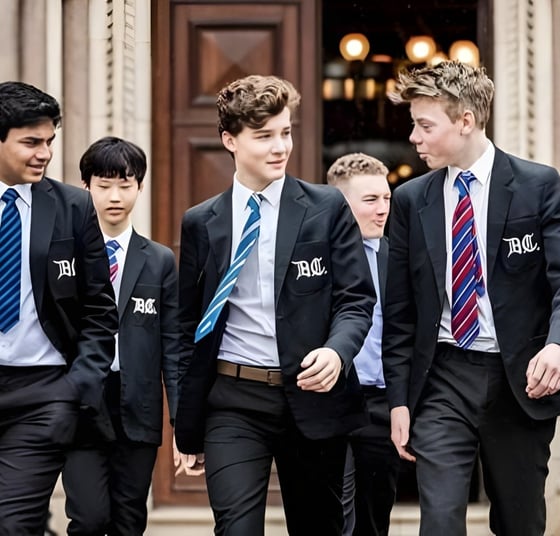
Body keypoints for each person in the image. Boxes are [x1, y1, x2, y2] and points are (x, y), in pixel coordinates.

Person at [383, 60, 560, 536]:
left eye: (424, 125)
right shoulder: (410, 200)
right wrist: (399, 400)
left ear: (465, 121)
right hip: (441, 378)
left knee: (519, 521)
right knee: (438, 520)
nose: (414, 138)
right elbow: (399, 312)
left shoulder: (538, 186)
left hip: (519, 379)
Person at [173, 74, 375, 535]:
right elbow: (190, 327)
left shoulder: (326, 208)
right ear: (230, 140)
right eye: (264, 136)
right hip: (233, 402)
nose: (279, 146)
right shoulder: (202, 222)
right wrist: (187, 424)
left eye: (285, 132)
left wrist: (337, 351)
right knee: (237, 529)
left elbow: (356, 299)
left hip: (314, 396)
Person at [0, 81, 117, 535]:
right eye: (31, 142)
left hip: (44, 395)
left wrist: (75, 389)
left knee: (14, 525)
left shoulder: (73, 207)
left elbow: (99, 311)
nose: (44, 153)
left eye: (49, 141)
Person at [61, 136, 180, 535]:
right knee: (89, 518)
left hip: (138, 406)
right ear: (86, 187)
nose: (115, 196)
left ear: (140, 188)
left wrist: (182, 422)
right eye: (104, 184)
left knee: (130, 521)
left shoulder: (159, 260)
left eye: (125, 185)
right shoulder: (67, 257)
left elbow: (173, 346)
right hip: (81, 404)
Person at [327, 153, 399, 536]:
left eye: (386, 198)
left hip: (384, 405)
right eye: (370, 200)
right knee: (336, 513)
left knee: (374, 515)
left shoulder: (398, 256)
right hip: (332, 400)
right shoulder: (317, 257)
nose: (383, 209)